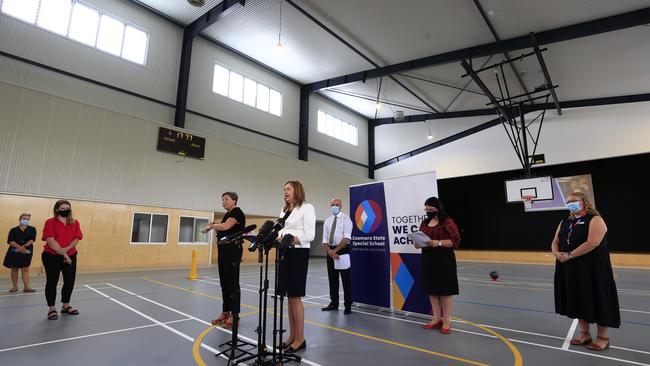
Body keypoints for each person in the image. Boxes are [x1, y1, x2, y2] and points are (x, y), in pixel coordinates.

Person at [552, 192, 620, 351]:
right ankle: (585, 334)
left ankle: (603, 338)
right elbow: (555, 240)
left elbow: (593, 242)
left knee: (598, 298)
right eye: (568, 201)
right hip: (570, 268)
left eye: (574, 201)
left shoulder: (596, 219)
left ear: (584, 202)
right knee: (578, 298)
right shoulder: (565, 221)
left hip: (593, 268)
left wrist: (570, 255)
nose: (570, 203)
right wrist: (556, 254)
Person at [277, 181, 315, 354]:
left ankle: (300, 339)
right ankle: (292, 335)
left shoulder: (307, 208)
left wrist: (290, 239)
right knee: (289, 297)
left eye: (288, 189)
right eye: (284, 189)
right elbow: (280, 230)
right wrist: (278, 237)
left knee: (296, 296)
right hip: (285, 253)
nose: (285, 191)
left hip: (298, 254)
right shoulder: (284, 211)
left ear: (297, 190)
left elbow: (310, 235)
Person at [419, 197, 460, 334]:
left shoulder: (447, 221)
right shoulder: (424, 223)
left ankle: (447, 321)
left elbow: (456, 240)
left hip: (444, 259)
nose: (428, 211)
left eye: (431, 209)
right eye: (426, 209)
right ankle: (436, 318)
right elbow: (420, 238)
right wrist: (418, 243)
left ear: (438, 209)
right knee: (432, 289)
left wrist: (439, 243)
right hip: (428, 258)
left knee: (445, 291)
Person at [204, 192, 246, 329]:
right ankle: (225, 312)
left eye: (226, 199)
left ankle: (235, 315)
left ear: (234, 201)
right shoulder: (227, 215)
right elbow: (222, 229)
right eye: (222, 200)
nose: (223, 202)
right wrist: (216, 225)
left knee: (233, 284)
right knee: (224, 284)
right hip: (223, 253)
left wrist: (212, 226)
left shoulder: (237, 213)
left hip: (233, 252)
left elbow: (226, 227)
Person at [42, 200, 83, 320]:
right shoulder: (50, 222)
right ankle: (51, 308)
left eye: (68, 208)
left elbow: (77, 238)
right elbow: (50, 240)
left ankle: (65, 305)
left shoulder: (75, 223)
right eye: (63, 208)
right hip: (51, 256)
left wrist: (66, 250)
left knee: (69, 281)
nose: (66, 210)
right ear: (57, 210)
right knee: (52, 281)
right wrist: (65, 255)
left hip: (71, 255)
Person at [321, 198, 353, 314]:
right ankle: (334, 303)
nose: (334, 206)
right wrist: (330, 251)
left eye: (336, 205)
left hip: (342, 251)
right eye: (332, 204)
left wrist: (336, 251)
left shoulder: (346, 219)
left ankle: (348, 305)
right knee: (332, 279)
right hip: (330, 251)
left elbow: (347, 238)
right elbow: (324, 239)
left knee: (346, 280)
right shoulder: (327, 220)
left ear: (341, 206)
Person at [4, 213, 37, 293]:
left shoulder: (32, 229)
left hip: (27, 251)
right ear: (20, 219)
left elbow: (32, 239)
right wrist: (19, 247)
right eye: (24, 218)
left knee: (25, 269)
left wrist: (24, 247)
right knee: (14, 269)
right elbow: (10, 241)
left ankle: (27, 287)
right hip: (14, 251)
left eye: (27, 219)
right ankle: (15, 287)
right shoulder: (13, 230)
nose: (25, 220)